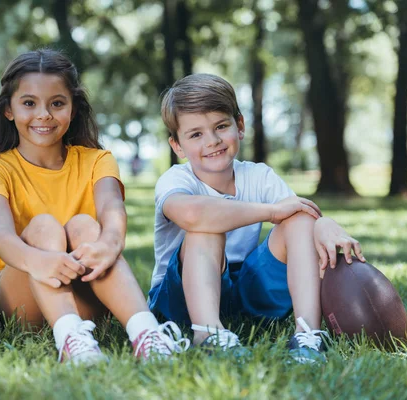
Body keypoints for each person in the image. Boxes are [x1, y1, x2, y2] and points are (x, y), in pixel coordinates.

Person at [0, 49, 188, 365]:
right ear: (9, 110)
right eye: (29, 103)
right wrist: (40, 261)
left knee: (86, 226)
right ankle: (70, 340)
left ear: (73, 108)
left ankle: (147, 335)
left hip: (84, 295)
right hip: (17, 298)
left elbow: (112, 210)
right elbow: (1, 236)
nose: (44, 114)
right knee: (44, 226)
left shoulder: (98, 161)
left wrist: (108, 247)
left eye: (57, 103)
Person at [148, 73, 366, 363]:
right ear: (177, 146)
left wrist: (325, 225)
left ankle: (307, 336)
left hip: (244, 291)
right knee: (205, 226)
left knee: (299, 221)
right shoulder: (174, 179)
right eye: (196, 134)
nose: (212, 141)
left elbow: (298, 212)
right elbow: (193, 213)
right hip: (180, 299)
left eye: (221, 126)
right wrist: (271, 212)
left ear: (239, 125)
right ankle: (207, 334)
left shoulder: (258, 175)